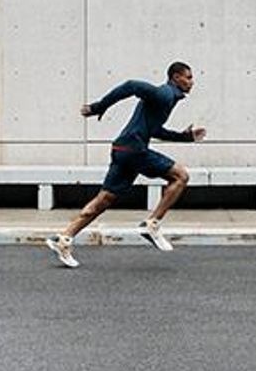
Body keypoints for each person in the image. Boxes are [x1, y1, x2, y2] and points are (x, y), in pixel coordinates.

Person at [46, 61, 206, 268]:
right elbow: (131, 85)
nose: (192, 82)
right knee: (181, 176)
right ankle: (153, 224)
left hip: (122, 149)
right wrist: (98, 107)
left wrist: (185, 138)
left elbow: (155, 130)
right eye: (189, 77)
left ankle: (64, 238)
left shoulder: (168, 99)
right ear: (176, 78)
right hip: (134, 150)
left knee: (104, 200)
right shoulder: (165, 94)